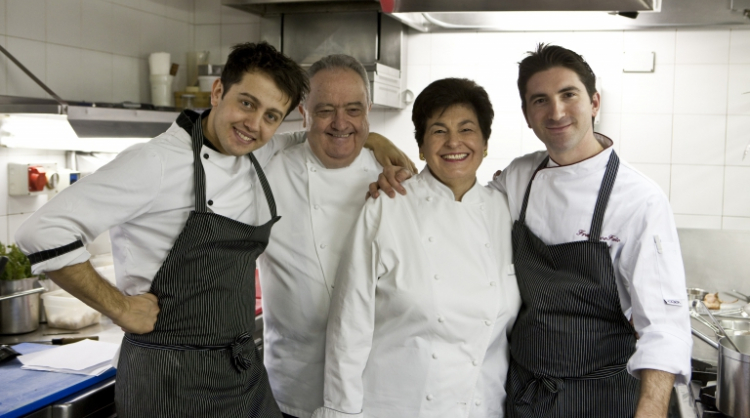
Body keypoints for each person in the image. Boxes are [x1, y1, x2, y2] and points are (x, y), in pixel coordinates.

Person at [16, 42, 407, 418]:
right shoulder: (157, 162)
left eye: (271, 115)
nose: (254, 125)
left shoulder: (258, 152)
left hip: (240, 374)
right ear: (218, 91)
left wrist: (375, 139)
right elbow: (42, 230)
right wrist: (120, 309)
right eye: (247, 103)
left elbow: (326, 136)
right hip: (171, 380)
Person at [371, 44, 692, 418]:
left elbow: (665, 326)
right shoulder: (520, 177)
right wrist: (379, 151)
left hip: (600, 397)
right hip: (524, 395)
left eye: (568, 95)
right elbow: (455, 201)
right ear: (527, 115)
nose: (556, 111)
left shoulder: (639, 199)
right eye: (540, 100)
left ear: (594, 102)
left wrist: (651, 411)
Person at [313, 78, 521, 418]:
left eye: (467, 129)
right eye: (438, 131)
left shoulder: (504, 210)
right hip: (398, 406)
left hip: (481, 406)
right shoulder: (389, 205)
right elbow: (349, 322)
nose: (454, 142)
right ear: (421, 146)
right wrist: (341, 411)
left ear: (484, 143)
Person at [258, 54, 415, 418]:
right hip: (293, 385)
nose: (341, 123)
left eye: (354, 109)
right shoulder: (267, 171)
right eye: (325, 110)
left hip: (378, 387)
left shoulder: (395, 178)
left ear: (369, 110)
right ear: (303, 112)